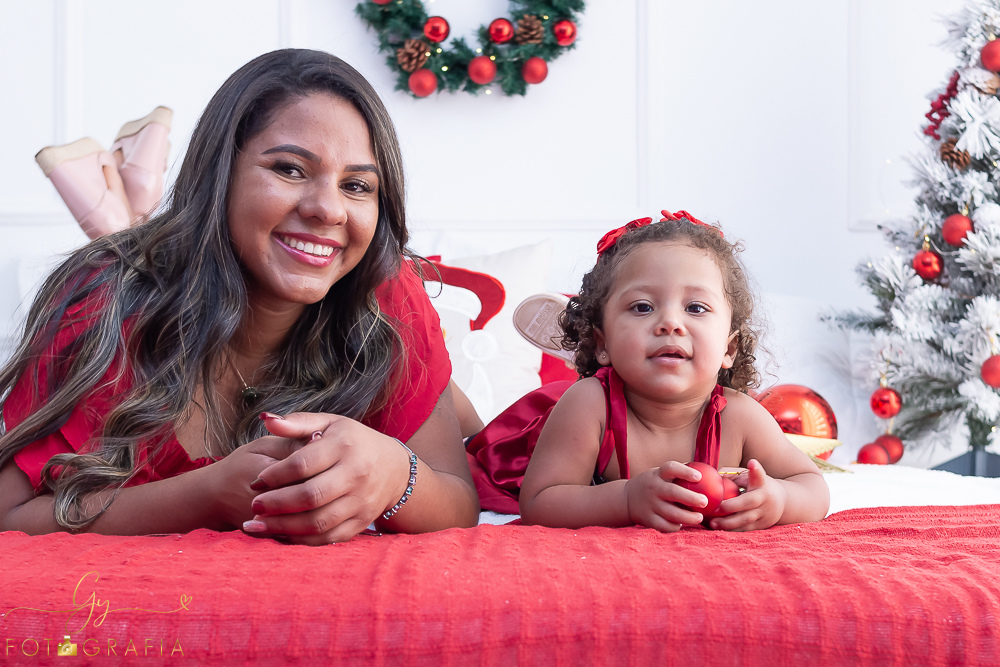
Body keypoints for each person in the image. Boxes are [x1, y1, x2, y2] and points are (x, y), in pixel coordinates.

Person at [0, 49, 480, 544]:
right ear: (220, 173)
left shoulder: (383, 292)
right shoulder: (105, 299)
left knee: (473, 416)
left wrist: (394, 472)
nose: (328, 209)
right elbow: (11, 516)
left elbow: (459, 503)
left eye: (357, 185)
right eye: (290, 169)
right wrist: (202, 495)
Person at [467, 212, 829, 530]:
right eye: (642, 307)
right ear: (602, 343)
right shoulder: (589, 404)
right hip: (523, 455)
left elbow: (811, 484)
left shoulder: (740, 415)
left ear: (729, 350)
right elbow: (540, 503)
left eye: (696, 308)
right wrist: (626, 499)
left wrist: (778, 499)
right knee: (467, 441)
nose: (670, 323)